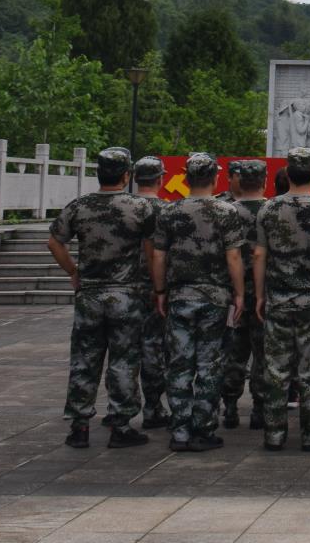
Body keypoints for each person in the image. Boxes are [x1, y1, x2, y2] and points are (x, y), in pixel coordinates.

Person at [47, 146, 159, 449]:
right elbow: (151, 253)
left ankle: (80, 426)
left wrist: (73, 271)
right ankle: (120, 424)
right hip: (127, 295)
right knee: (123, 361)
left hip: (90, 295)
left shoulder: (79, 207)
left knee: (84, 359)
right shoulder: (139, 208)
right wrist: (156, 288)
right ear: (127, 176)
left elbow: (55, 242)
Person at [151, 153, 249, 452]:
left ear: (186, 176)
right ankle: (203, 428)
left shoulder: (169, 212)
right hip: (215, 297)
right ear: (215, 177)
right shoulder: (227, 211)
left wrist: (160, 290)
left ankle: (180, 428)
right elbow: (234, 256)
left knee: (179, 363)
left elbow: (158, 255)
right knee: (209, 364)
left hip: (180, 295)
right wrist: (240, 292)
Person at [253, 148, 310, 451]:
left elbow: (259, 254)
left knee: (275, 370)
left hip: (277, 298)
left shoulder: (268, 209)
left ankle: (274, 434)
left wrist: (261, 293)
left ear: (288, 174)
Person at [220, 160, 270, 431]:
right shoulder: (272, 210)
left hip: (233, 295)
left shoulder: (225, 211)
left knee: (234, 353)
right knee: (263, 354)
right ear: (264, 181)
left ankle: (229, 406)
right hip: (265, 294)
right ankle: (259, 410)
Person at [130, 154, 172, 430]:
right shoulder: (167, 211)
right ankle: (153, 406)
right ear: (160, 178)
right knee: (154, 348)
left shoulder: (122, 205)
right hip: (153, 290)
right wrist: (162, 288)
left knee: (120, 352)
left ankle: (117, 408)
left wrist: (76, 274)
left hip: (120, 289)